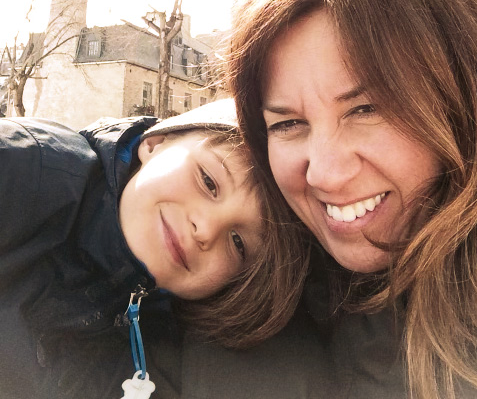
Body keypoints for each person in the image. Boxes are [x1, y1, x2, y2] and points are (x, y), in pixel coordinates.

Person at [200, 0, 477, 399]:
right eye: (288, 124)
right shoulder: (239, 289)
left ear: (458, 98)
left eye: (366, 109)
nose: (324, 175)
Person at [0, 98, 307, 399]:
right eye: (208, 181)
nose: (206, 229)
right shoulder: (27, 167)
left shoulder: (181, 351)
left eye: (238, 243)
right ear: (154, 143)